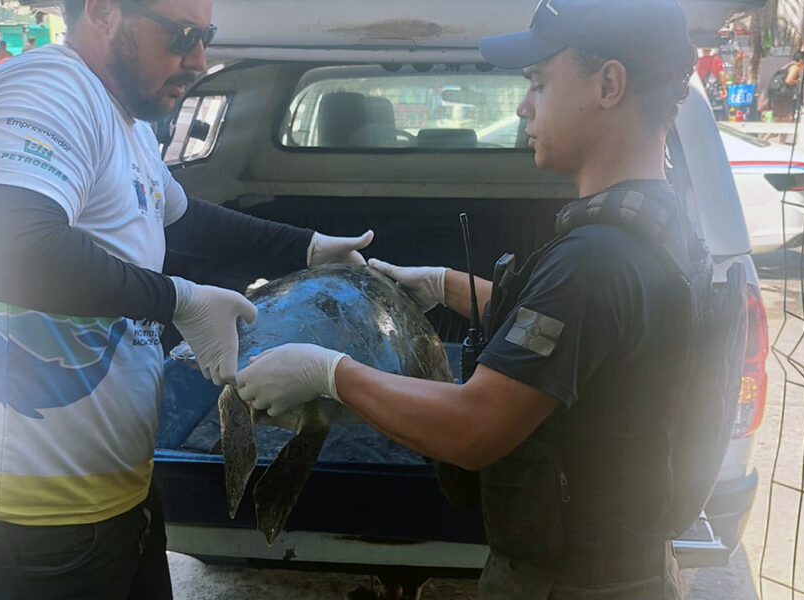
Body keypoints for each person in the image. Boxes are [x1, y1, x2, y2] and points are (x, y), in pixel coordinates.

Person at [238, 0, 712, 598]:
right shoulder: (661, 224)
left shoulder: (596, 260)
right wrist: (442, 285)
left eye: (538, 82)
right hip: (626, 561)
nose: (522, 105)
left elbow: (473, 429)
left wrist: (327, 371)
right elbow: (580, 337)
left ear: (609, 84)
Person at [0, 0, 373, 598]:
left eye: (206, 35)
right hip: (27, 517)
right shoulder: (46, 88)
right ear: (103, 10)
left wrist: (312, 248)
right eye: (183, 36)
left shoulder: (126, 121)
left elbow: (183, 220)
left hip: (112, 494)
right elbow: (7, 247)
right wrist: (180, 300)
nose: (199, 59)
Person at [769, 50, 804, 124]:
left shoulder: (789, 65)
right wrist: (796, 82)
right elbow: (788, 80)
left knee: (779, 118)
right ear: (801, 61)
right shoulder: (795, 68)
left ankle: (770, 134)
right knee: (785, 118)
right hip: (784, 96)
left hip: (778, 95)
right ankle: (772, 134)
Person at [697, 48, 728, 120]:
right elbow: (721, 74)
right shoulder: (716, 60)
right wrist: (724, 88)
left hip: (702, 92)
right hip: (714, 94)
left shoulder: (699, 61)